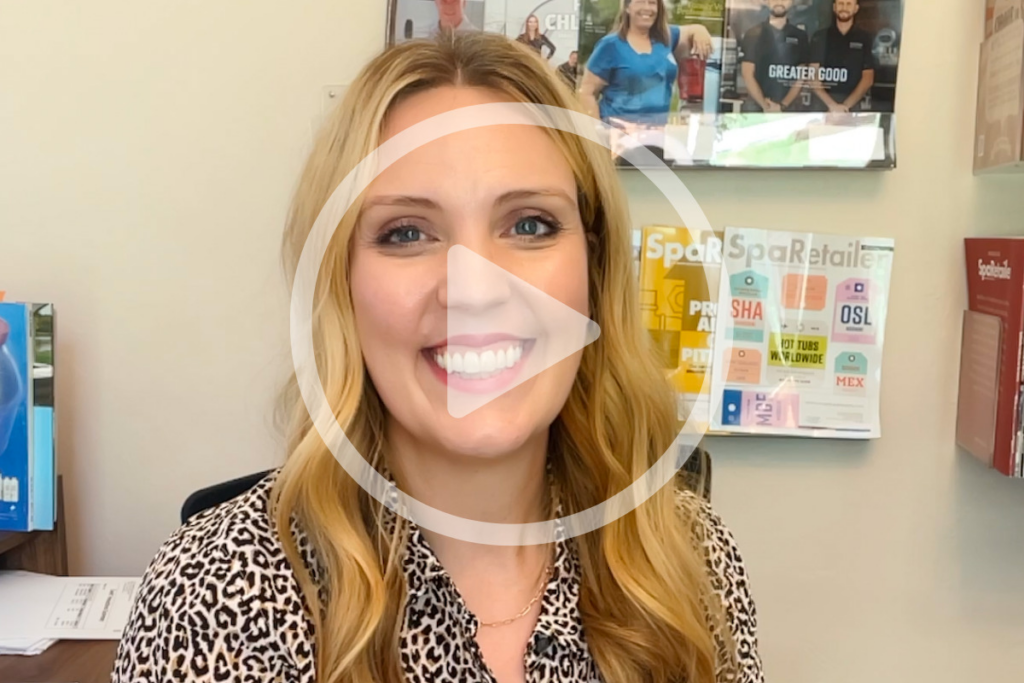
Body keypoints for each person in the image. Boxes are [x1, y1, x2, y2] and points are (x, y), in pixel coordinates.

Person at [111, 31, 763, 683]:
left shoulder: (686, 556)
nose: (475, 290)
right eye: (407, 233)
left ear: (594, 269)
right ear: (341, 283)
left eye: (529, 224)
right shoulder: (214, 594)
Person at [580, 0, 714, 127]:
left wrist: (700, 30)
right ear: (627, 7)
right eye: (640, 1)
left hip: (656, 134)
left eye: (652, 3)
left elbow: (691, 30)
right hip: (618, 134)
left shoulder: (666, 38)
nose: (647, 8)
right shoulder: (610, 45)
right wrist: (597, 131)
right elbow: (586, 93)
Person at [739, 0, 810, 112]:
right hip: (756, 105)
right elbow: (747, 74)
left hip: (789, 107)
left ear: (791, 2)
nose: (779, 1)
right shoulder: (753, 34)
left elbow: (801, 76)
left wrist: (783, 105)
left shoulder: (800, 36)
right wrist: (765, 106)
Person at [810, 0, 875, 112]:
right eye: (840, 3)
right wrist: (832, 106)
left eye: (849, 4)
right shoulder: (820, 37)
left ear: (856, 8)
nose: (844, 7)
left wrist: (845, 107)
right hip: (824, 107)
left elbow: (868, 79)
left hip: (853, 107)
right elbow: (813, 76)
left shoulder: (865, 38)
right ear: (834, 7)